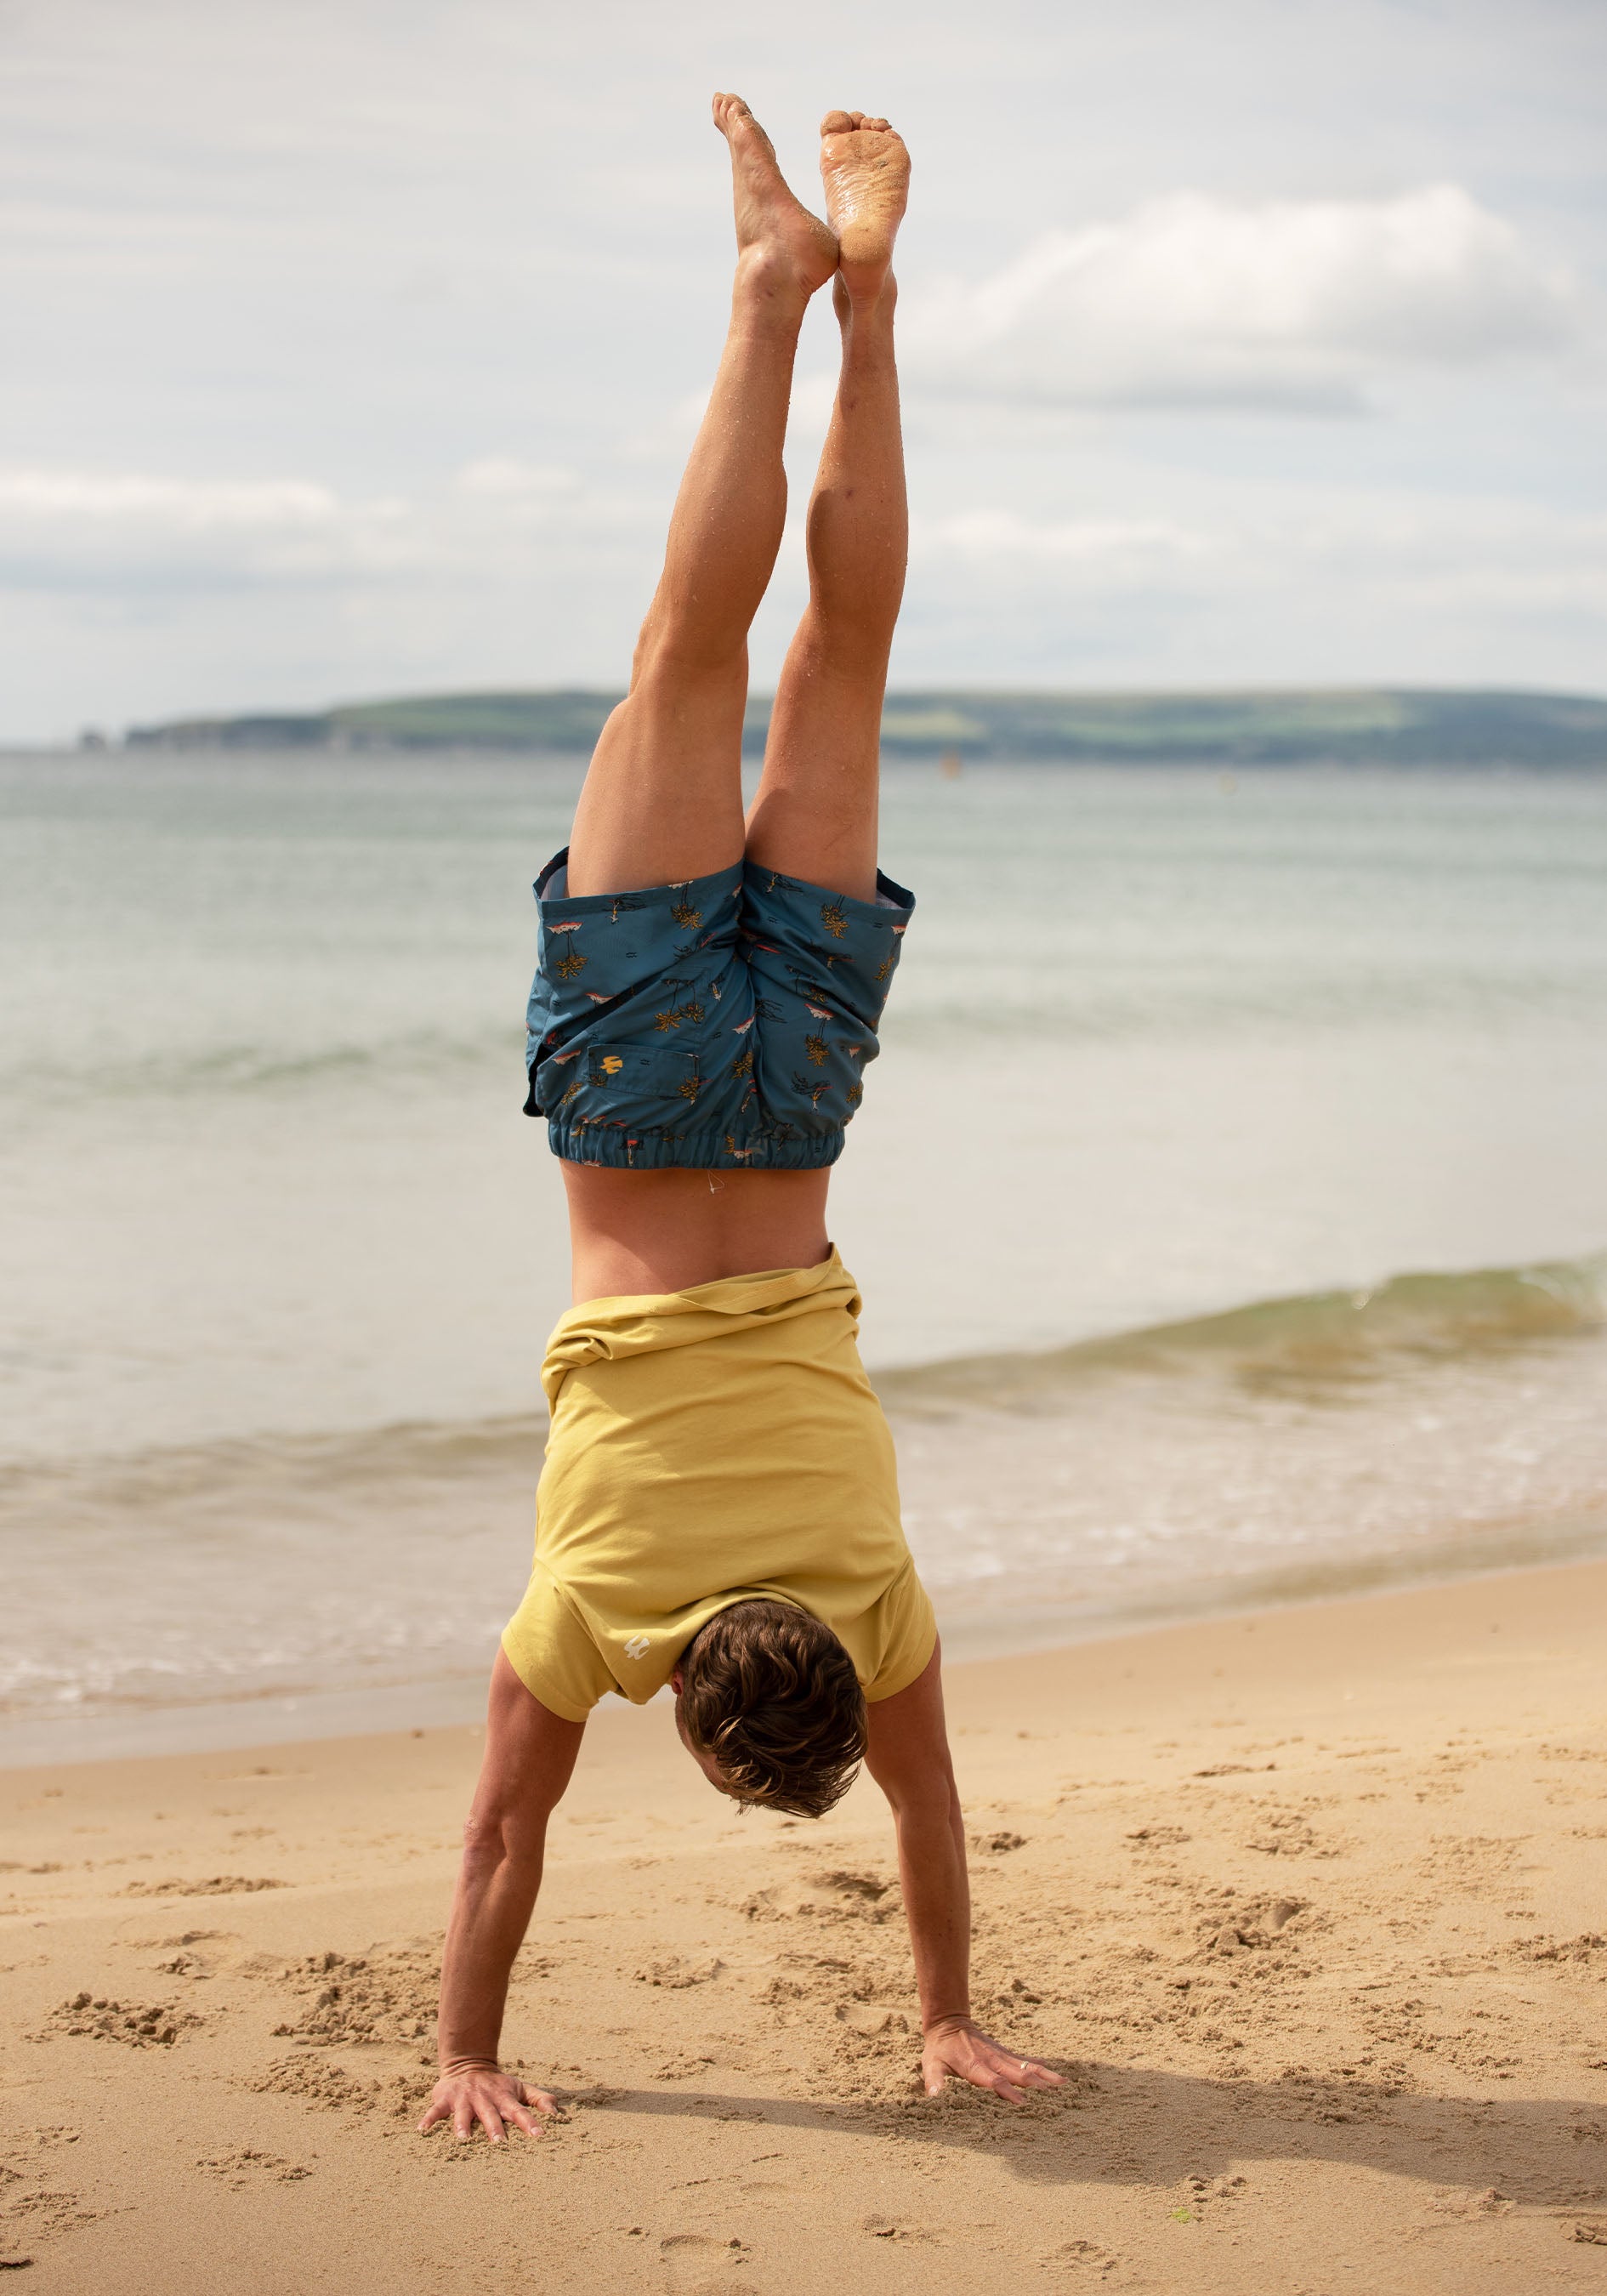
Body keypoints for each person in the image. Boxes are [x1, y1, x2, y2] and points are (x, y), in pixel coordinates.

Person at [420, 94, 1063, 2145]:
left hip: (796, 1115)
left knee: (838, 666)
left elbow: (939, 1810)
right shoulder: (594, 1610)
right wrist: (464, 2053)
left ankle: (866, 309)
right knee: (690, 661)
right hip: (628, 1107)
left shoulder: (876, 1599)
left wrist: (956, 2012)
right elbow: (496, 1850)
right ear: (688, 1714)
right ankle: (773, 283)